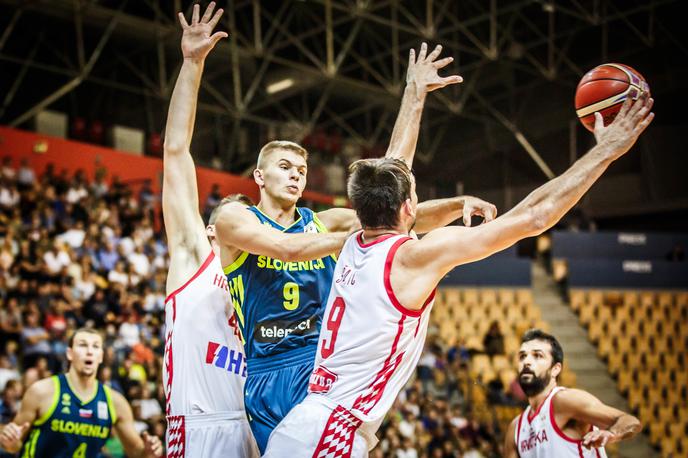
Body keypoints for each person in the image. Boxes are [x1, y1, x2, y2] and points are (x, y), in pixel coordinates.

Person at [262, 93, 654, 456]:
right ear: (408, 208)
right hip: (334, 431)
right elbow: (534, 216)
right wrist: (605, 151)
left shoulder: (351, 243)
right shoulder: (412, 256)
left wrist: (414, 93)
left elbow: (391, 169)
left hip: (304, 423)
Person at [215, 41, 498, 452]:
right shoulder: (235, 218)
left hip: (320, 367)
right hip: (265, 366)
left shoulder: (323, 221)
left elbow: (392, 194)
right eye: (284, 167)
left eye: (302, 169)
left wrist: (455, 204)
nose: (296, 175)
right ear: (258, 176)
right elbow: (286, 249)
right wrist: (357, 234)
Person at [162, 3, 260, 457]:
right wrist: (192, 65)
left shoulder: (262, 284)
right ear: (211, 228)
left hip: (252, 427)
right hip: (199, 426)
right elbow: (177, 151)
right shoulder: (191, 256)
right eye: (233, 219)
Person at [0, 328, 162, 457]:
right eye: (83, 345)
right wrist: (9, 441)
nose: (89, 351)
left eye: (95, 347)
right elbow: (14, 446)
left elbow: (136, 452)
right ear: (70, 353)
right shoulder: (41, 391)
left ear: (101, 356)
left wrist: (149, 452)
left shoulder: (115, 402)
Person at [504, 329, 641, 457]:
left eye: (537, 355)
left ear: (555, 369)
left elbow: (629, 420)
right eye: (522, 356)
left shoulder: (564, 401)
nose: (527, 361)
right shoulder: (515, 428)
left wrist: (612, 434)